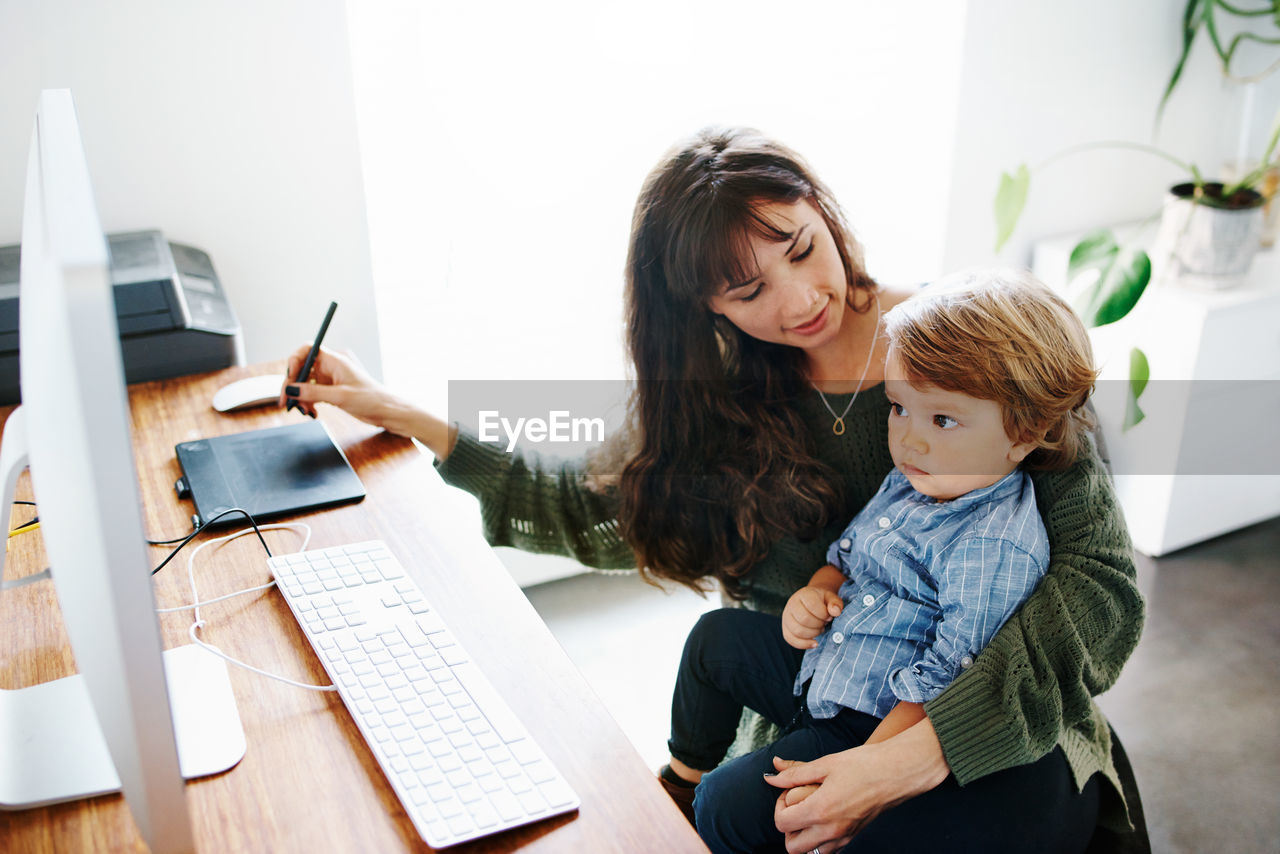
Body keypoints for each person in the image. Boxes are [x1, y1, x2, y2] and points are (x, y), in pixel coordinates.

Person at [279, 127, 1145, 853]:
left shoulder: (972, 343)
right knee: (744, 796)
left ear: (823, 210)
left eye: (804, 249)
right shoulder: (721, 407)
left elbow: (1098, 586)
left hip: (1003, 718)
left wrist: (920, 754)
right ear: (704, 307)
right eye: (748, 291)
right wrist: (408, 416)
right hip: (823, 700)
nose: (802, 298)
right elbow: (594, 512)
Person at [660, 270, 1100, 853]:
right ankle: (678, 782)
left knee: (730, 805)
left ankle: (708, 809)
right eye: (898, 408)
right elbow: (846, 554)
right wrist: (815, 592)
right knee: (714, 638)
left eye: (942, 420)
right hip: (831, 661)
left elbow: (945, 681)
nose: (910, 440)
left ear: (1023, 435)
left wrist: (865, 774)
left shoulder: (994, 545)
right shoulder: (914, 479)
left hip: (875, 721)